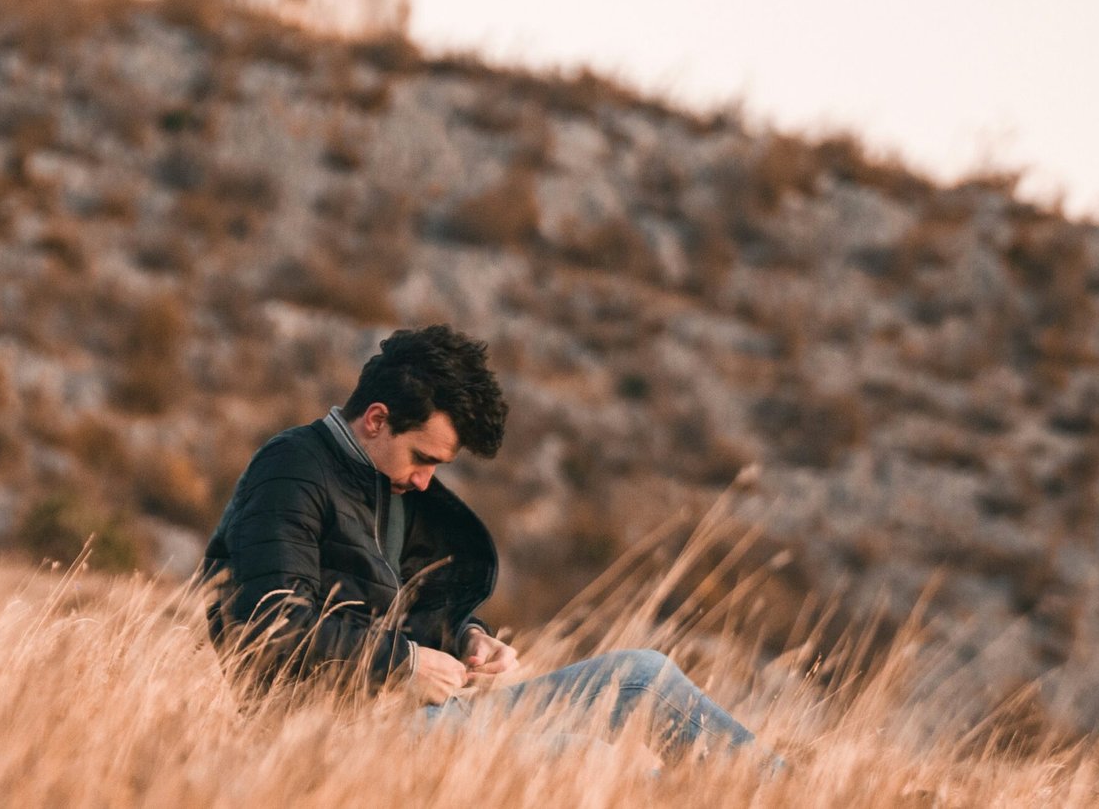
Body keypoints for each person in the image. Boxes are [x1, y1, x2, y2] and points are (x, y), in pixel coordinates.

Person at [201, 324, 773, 764]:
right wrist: (403, 663)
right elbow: (270, 623)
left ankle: (784, 793)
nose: (427, 479)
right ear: (376, 419)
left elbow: (399, 610)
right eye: (423, 458)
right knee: (592, 759)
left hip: (418, 717)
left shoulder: (390, 487)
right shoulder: (291, 469)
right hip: (330, 738)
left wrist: (468, 637)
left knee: (642, 675)